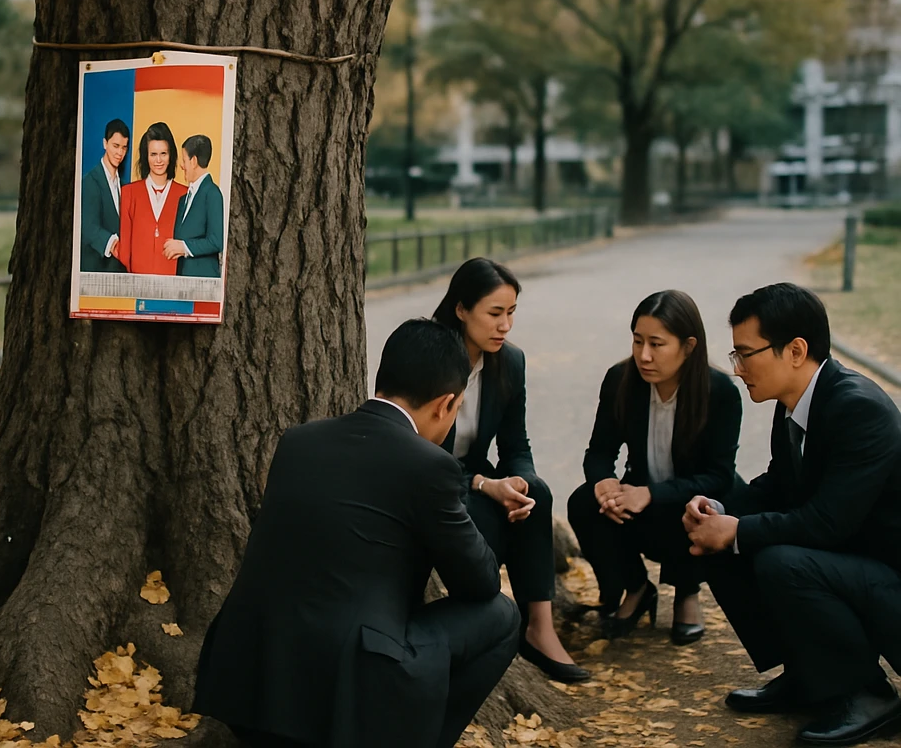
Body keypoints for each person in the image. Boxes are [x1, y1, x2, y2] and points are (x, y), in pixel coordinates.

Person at [193, 318, 520, 748]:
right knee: (502, 615)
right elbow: (478, 582)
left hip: (251, 680)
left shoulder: (299, 440)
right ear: (445, 404)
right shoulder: (429, 464)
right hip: (351, 688)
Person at [685, 282, 901, 747]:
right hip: (856, 564)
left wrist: (737, 530)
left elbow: (827, 523)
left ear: (796, 350)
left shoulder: (858, 408)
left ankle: (866, 691)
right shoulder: (797, 403)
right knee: (716, 540)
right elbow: (779, 485)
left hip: (892, 581)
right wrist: (721, 513)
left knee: (777, 558)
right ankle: (811, 675)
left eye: (746, 354)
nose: (737, 368)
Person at [431, 258, 588, 683]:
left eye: (512, 313)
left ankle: (540, 627)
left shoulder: (509, 362)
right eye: (495, 314)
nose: (505, 326)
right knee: (490, 520)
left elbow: (516, 445)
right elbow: (418, 452)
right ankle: (487, 622)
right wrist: (484, 484)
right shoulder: (430, 356)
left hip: (481, 479)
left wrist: (518, 483)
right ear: (462, 309)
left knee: (536, 493)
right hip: (432, 482)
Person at [567, 290, 742, 645]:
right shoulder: (621, 380)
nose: (644, 355)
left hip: (690, 501)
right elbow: (600, 451)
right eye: (637, 341)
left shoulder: (719, 391)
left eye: (657, 344)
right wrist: (603, 483)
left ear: (689, 346)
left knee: (698, 505)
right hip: (640, 495)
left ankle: (686, 593)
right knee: (583, 502)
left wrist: (651, 494)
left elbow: (719, 476)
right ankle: (636, 588)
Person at [115, 121, 187, 275]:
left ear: (171, 155)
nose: (159, 161)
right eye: (153, 154)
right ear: (145, 156)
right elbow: (125, 248)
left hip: (174, 286)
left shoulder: (185, 194)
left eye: (163, 154)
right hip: (137, 285)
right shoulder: (129, 193)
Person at [164, 134, 224, 277]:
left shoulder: (213, 194)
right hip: (183, 281)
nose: (182, 166)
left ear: (194, 161)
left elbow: (216, 241)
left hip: (202, 282)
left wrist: (184, 247)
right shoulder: (183, 199)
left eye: (184, 160)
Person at [80, 119, 129, 272]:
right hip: (95, 271)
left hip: (120, 274)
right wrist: (114, 244)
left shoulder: (125, 186)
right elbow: (88, 227)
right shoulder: (89, 181)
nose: (120, 153)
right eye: (115, 146)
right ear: (105, 143)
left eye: (124, 147)